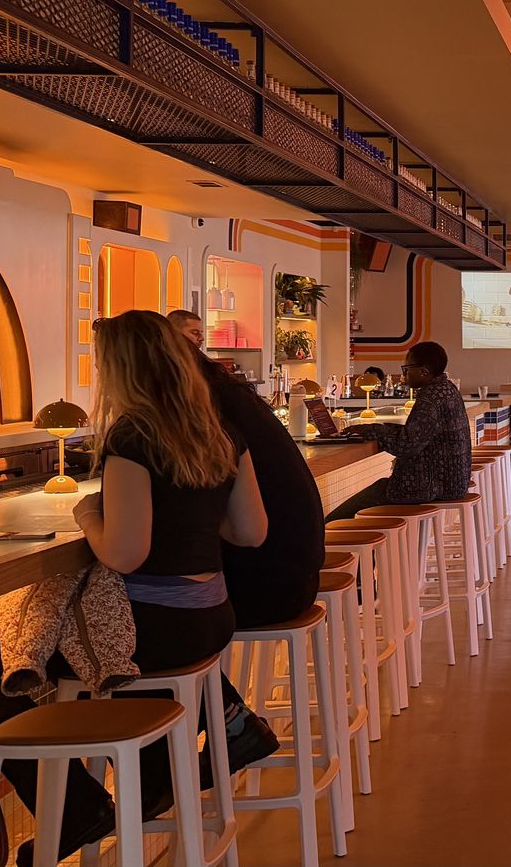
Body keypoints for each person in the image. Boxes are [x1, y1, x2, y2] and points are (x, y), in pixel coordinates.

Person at [0, 311, 267, 866]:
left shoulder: (133, 437)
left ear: (122, 371)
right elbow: (250, 532)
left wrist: (88, 514)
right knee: (92, 657)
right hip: (210, 619)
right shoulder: (220, 432)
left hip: (153, 631)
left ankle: (77, 809)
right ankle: (151, 777)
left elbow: (125, 552)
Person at [175, 311, 325, 773]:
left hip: (268, 586)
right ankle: (220, 727)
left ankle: (163, 770)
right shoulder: (232, 401)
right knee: (151, 618)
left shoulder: (206, 417)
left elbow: (240, 530)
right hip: (295, 574)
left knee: (142, 623)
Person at [326, 341, 472, 521]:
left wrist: (369, 430)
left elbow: (407, 445)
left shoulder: (430, 398)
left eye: (407, 369)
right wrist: (380, 428)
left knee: (340, 516)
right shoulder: (447, 389)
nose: (404, 375)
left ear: (423, 371)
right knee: (379, 488)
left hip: (430, 486)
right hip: (454, 482)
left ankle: (325, 536)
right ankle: (375, 548)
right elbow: (420, 433)